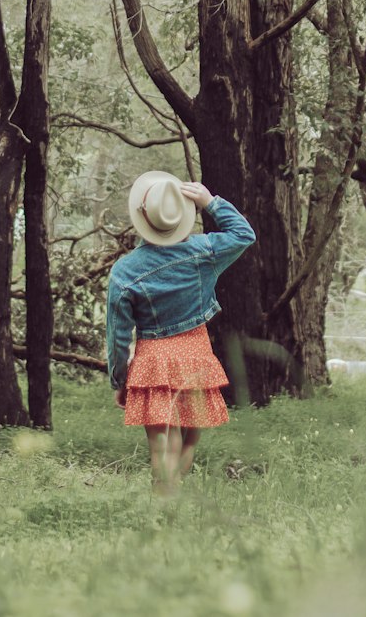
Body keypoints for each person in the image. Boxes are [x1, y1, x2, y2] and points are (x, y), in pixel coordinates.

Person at [106, 173, 255, 494]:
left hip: (154, 361)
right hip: (196, 356)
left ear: (142, 218)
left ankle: (164, 499)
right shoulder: (203, 252)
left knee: (163, 443)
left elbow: (117, 337)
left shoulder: (124, 271)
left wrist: (120, 380)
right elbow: (244, 234)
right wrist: (210, 202)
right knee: (190, 438)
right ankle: (174, 494)